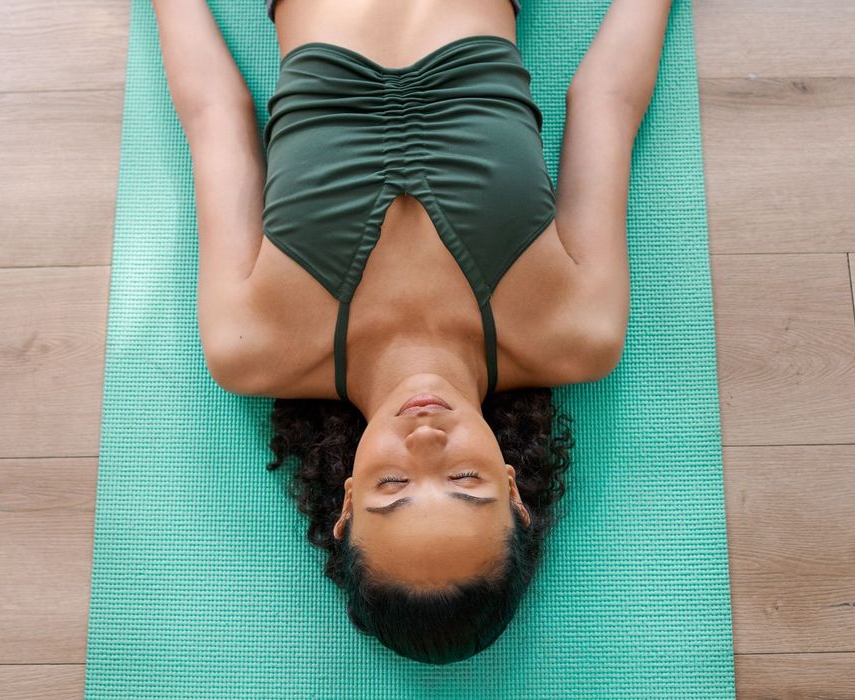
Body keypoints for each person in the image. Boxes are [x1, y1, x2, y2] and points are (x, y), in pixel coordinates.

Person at [152, 0, 673, 664]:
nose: (424, 439)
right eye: (464, 479)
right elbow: (606, 101)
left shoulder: (251, 346)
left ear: (344, 509)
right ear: (514, 493)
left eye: (393, 486)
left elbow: (214, 116)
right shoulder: (576, 331)